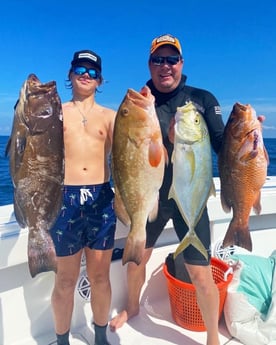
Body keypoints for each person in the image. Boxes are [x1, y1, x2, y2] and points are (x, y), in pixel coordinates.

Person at [110, 34, 225, 345]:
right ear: (149, 64)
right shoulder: (142, 102)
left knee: (201, 273)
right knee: (137, 259)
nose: (165, 66)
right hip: (152, 196)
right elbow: (123, 154)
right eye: (158, 59)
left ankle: (213, 338)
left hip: (191, 196)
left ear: (181, 63)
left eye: (171, 59)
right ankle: (133, 307)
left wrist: (247, 137)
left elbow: (222, 146)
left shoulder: (203, 99)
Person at [50, 50, 117, 345]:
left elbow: (135, 150)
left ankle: (100, 336)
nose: (85, 75)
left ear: (100, 80)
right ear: (70, 74)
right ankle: (62, 340)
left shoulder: (111, 116)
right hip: (64, 199)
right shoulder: (56, 113)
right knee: (64, 280)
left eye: (92, 72)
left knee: (100, 278)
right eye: (80, 68)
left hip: (102, 198)